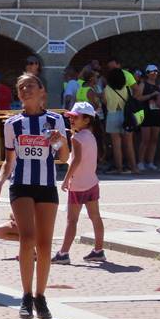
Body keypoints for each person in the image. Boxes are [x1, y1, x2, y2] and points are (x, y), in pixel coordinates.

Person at [0, 73, 68, 319]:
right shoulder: (12, 124)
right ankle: (25, 295)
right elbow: (9, 160)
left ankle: (40, 296)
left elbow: (64, 157)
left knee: (44, 244)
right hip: (21, 185)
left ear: (42, 90)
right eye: (21, 87)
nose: (25, 90)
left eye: (30, 86)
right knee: (27, 238)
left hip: (46, 185)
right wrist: (0, 181)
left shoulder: (56, 120)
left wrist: (59, 142)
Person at [53, 102, 106, 264]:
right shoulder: (91, 136)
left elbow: (76, 161)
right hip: (92, 182)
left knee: (72, 221)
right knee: (95, 216)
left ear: (87, 120)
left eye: (75, 117)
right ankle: (98, 250)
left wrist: (66, 179)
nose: (71, 120)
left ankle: (63, 253)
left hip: (78, 185)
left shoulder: (77, 138)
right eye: (71, 117)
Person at [103, 68, 138, 174]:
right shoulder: (126, 88)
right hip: (126, 115)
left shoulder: (107, 88)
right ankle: (134, 168)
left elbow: (105, 102)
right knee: (129, 143)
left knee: (116, 144)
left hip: (112, 115)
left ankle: (119, 168)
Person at [135, 65, 160, 172]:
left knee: (154, 139)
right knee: (145, 139)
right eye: (152, 71)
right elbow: (138, 98)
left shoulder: (159, 86)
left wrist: (159, 101)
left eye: (156, 71)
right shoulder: (143, 84)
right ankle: (140, 162)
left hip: (156, 114)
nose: (154, 73)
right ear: (147, 73)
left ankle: (150, 162)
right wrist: (151, 95)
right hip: (145, 114)